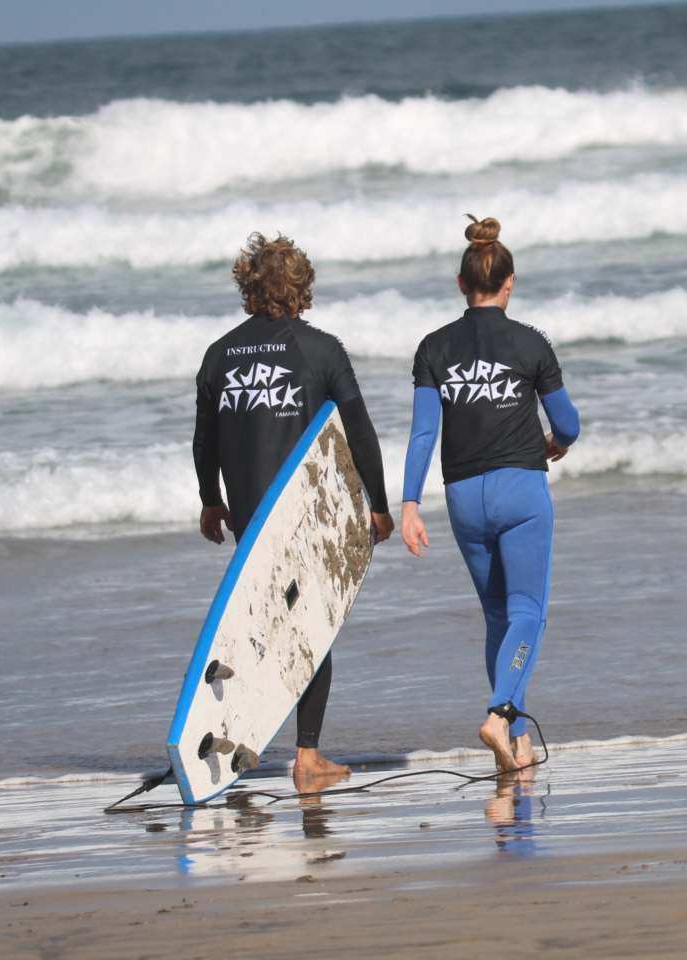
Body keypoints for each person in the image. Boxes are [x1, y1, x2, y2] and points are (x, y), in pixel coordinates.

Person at [193, 232, 394, 792]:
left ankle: (235, 733)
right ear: (302, 289)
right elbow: (359, 433)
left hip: (251, 518)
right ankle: (306, 756)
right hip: (303, 516)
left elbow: (203, 441)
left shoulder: (219, 355)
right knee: (310, 627)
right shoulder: (323, 350)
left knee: (256, 627)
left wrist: (212, 499)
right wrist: (378, 505)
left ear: (248, 286)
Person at [399, 215, 581, 772]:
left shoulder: (433, 347)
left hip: (462, 497)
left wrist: (408, 504)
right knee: (529, 611)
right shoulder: (531, 343)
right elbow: (568, 422)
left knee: (498, 618)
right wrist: (558, 442)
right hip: (522, 489)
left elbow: (424, 433)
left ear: (460, 284)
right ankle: (501, 713)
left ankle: (518, 744)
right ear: (510, 282)